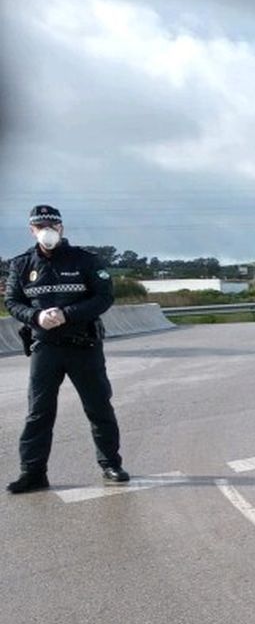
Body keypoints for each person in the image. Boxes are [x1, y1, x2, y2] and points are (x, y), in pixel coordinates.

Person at [5, 205, 128, 494]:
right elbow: (12, 301)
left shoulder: (85, 260)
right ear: (32, 230)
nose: (47, 230)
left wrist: (68, 313)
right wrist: (36, 317)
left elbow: (104, 297)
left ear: (61, 228)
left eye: (52, 225)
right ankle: (33, 473)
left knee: (99, 408)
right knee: (38, 412)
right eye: (40, 226)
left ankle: (111, 464)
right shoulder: (21, 264)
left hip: (83, 345)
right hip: (44, 347)